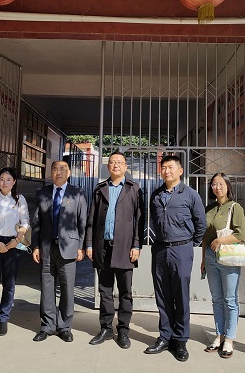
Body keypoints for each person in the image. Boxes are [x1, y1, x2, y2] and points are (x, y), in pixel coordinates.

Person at [144, 154, 206, 362]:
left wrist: (190, 243)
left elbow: (201, 224)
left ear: (180, 171)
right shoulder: (156, 194)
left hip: (182, 249)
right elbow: (153, 220)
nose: (166, 171)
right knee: (162, 295)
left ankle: (180, 340)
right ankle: (165, 336)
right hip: (160, 249)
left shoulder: (190, 194)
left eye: (171, 167)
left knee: (180, 295)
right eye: (163, 168)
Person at [85, 152, 145, 349]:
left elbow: (139, 220)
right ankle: (106, 328)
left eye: (119, 162)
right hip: (102, 248)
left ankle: (124, 330)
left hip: (125, 248)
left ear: (126, 166)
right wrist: (89, 244)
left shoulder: (133, 189)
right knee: (105, 291)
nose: (116, 165)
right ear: (108, 166)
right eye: (112, 162)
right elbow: (91, 219)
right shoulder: (100, 189)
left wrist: (136, 245)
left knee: (125, 292)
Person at [31, 160, 88, 343]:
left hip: (69, 248)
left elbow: (82, 222)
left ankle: (64, 327)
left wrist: (80, 246)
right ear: (51, 172)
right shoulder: (42, 193)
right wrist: (36, 246)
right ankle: (47, 325)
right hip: (47, 248)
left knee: (67, 288)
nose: (58, 172)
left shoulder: (77, 193)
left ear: (69, 172)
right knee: (47, 288)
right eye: (55, 169)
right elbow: (36, 222)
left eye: (62, 169)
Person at [200, 172, 245, 358]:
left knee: (230, 299)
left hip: (228, 257)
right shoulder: (209, 208)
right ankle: (219, 336)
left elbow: (241, 234)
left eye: (221, 184)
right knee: (217, 299)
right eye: (214, 184)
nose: (217, 187)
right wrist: (203, 260)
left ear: (228, 186)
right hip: (211, 257)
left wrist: (220, 240)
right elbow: (205, 237)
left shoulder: (235, 207)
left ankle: (229, 339)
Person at [0, 167, 29, 337]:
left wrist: (16, 241)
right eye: (2, 179)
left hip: (13, 243)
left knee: (9, 284)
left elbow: (25, 222)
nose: (5, 182)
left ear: (14, 182)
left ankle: (4, 318)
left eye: (8, 179)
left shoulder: (19, 200)